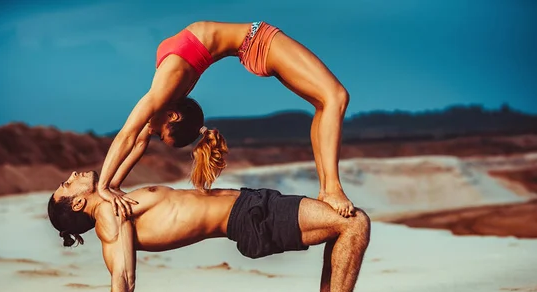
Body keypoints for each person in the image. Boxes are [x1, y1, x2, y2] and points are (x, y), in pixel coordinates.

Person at [47, 170, 387, 292]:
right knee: (353, 223)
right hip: (250, 218)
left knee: (339, 230)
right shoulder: (109, 214)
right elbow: (122, 277)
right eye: (66, 184)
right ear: (78, 203)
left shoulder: (112, 198)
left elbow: (135, 136)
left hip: (249, 203)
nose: (73, 174)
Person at [97, 21, 354, 219]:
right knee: (335, 97)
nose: (151, 133)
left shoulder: (165, 88)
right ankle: (329, 189)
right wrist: (113, 186)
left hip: (258, 41)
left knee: (331, 99)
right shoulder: (168, 95)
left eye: (160, 135)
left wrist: (104, 186)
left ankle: (329, 188)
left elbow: (129, 135)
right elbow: (138, 141)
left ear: (172, 116)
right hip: (256, 44)